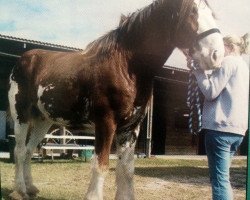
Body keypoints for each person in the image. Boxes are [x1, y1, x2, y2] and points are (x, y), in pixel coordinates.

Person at [188, 33, 250, 200]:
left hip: (219, 129)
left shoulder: (228, 62)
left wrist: (198, 73)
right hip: (237, 131)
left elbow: (211, 92)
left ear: (228, 48)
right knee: (222, 178)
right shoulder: (244, 67)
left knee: (219, 180)